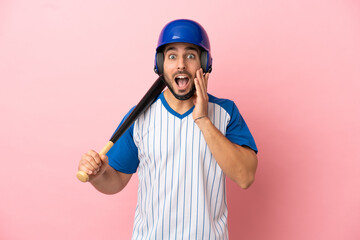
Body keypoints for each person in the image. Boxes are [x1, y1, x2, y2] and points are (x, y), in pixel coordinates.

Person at [78, 19, 258, 239]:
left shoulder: (226, 112)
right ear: (161, 64)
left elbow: (245, 176)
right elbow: (115, 182)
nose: (181, 65)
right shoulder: (140, 116)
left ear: (204, 63)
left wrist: (203, 119)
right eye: (172, 56)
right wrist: (99, 174)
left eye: (191, 56)